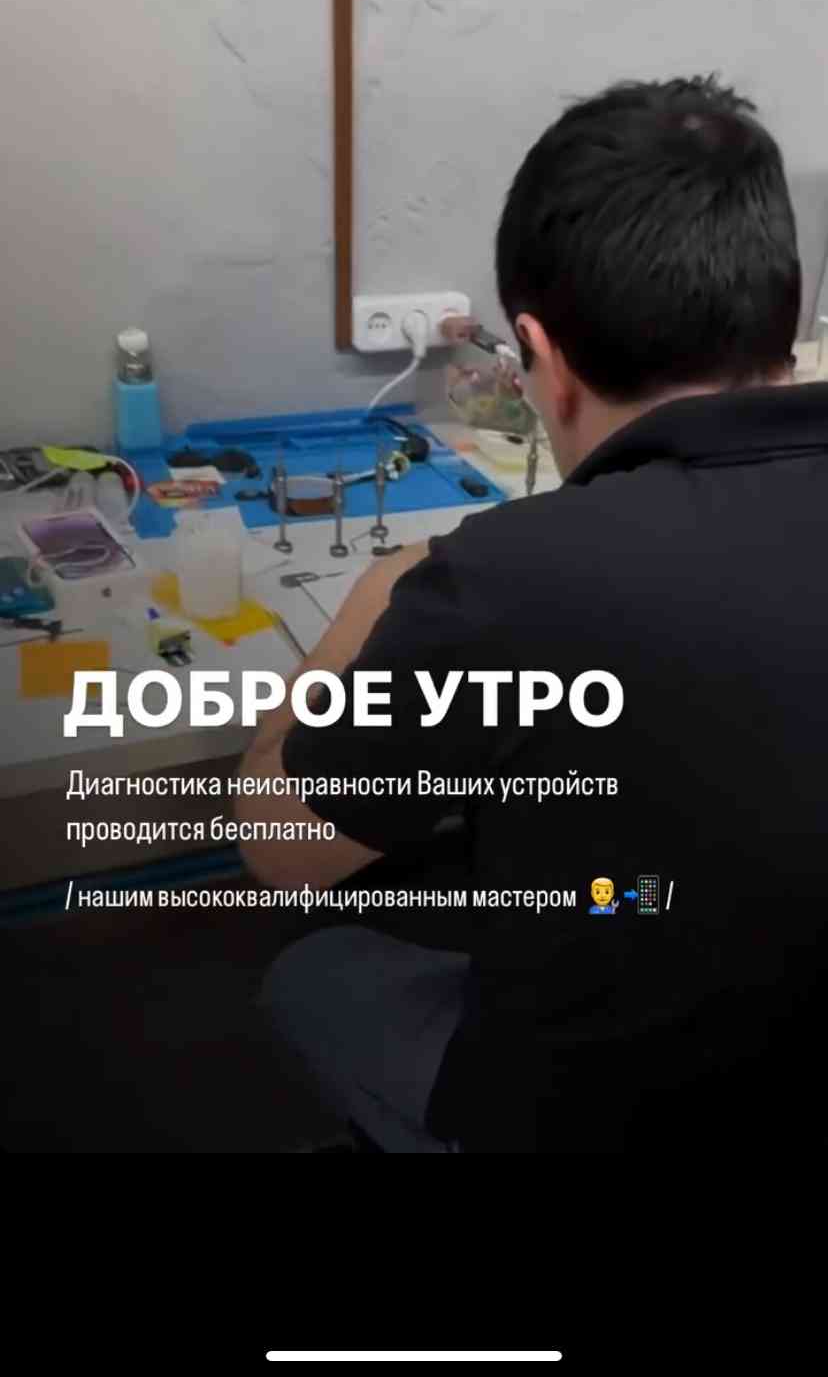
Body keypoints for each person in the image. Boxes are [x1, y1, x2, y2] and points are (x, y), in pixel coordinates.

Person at [237, 76, 828, 1159]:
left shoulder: (507, 579)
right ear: (788, 327)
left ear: (541, 359)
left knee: (315, 973)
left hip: (592, 1106)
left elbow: (281, 843)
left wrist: (382, 598)